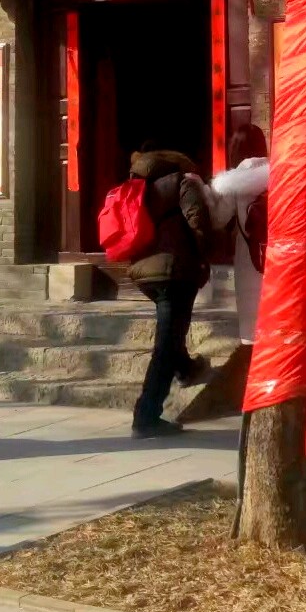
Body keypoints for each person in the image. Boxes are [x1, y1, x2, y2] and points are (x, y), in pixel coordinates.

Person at [125, 144, 213, 438]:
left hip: (144, 272)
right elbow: (198, 221)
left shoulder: (136, 185)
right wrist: (205, 255)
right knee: (165, 345)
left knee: (171, 333)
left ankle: (185, 368)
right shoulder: (182, 182)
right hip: (174, 269)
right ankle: (146, 417)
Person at [206, 125, 269, 346]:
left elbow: (219, 218)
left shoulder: (234, 181)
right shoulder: (280, 174)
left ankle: (254, 355)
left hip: (249, 254)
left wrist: (207, 194)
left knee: (253, 310)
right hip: (278, 251)